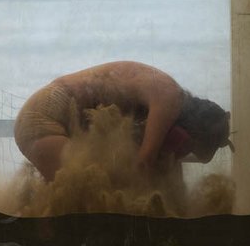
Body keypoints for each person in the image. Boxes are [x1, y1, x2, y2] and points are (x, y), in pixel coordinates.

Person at [13, 61, 232, 182]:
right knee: (91, 192)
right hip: (44, 117)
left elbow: (158, 161)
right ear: (192, 127)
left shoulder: (169, 98)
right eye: (187, 146)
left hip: (46, 113)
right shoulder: (168, 98)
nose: (182, 152)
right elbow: (144, 163)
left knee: (78, 197)